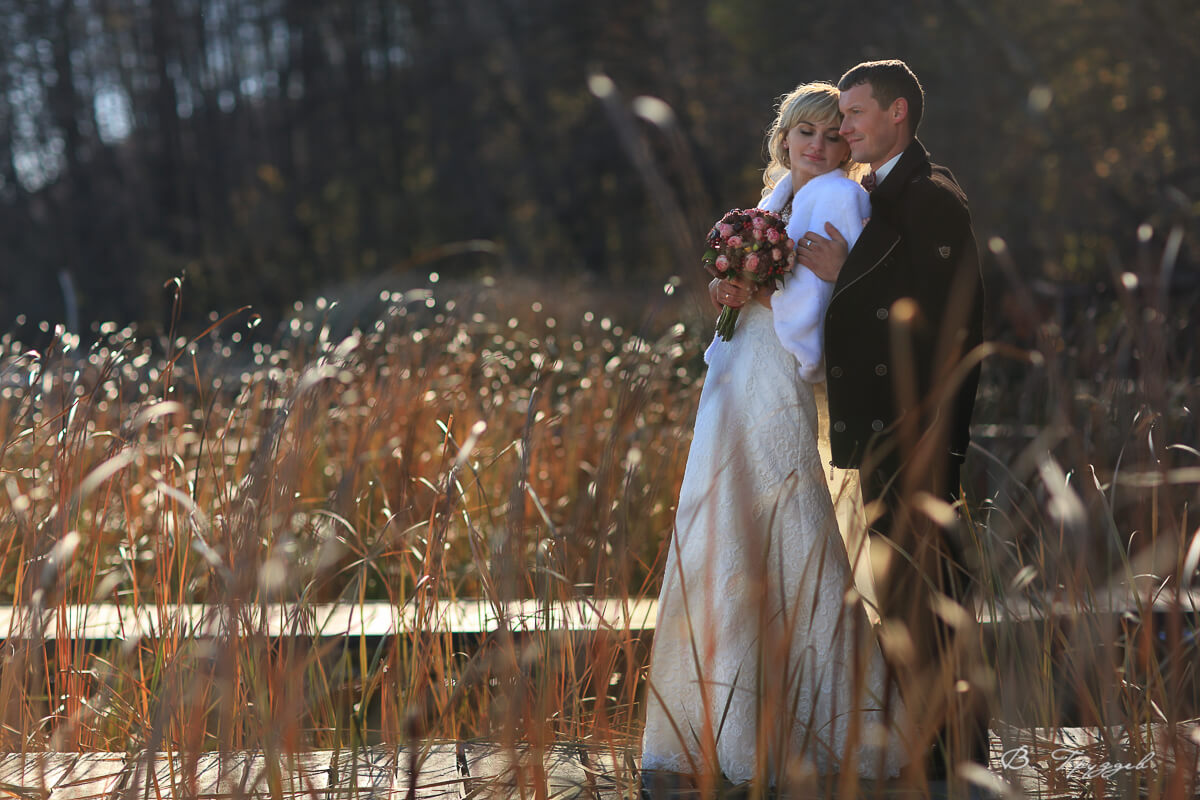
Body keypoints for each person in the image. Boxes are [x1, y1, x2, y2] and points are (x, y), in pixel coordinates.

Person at [640, 82, 910, 795]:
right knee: (719, 528)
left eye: (832, 135)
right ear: (784, 137)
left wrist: (764, 295)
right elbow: (760, 290)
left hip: (775, 380)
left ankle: (818, 721)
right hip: (732, 377)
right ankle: (722, 715)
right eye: (806, 134)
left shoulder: (839, 200)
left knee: (782, 522)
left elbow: (818, 319)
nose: (819, 147)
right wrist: (730, 293)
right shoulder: (774, 201)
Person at [794, 60, 989, 787]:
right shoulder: (876, 190)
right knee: (905, 596)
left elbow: (953, 327)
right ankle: (934, 751)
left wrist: (848, 267)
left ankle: (959, 760)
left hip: (917, 433)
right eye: (840, 117)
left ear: (898, 112)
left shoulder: (932, 197)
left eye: (855, 114)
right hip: (881, 430)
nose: (843, 128)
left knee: (932, 594)